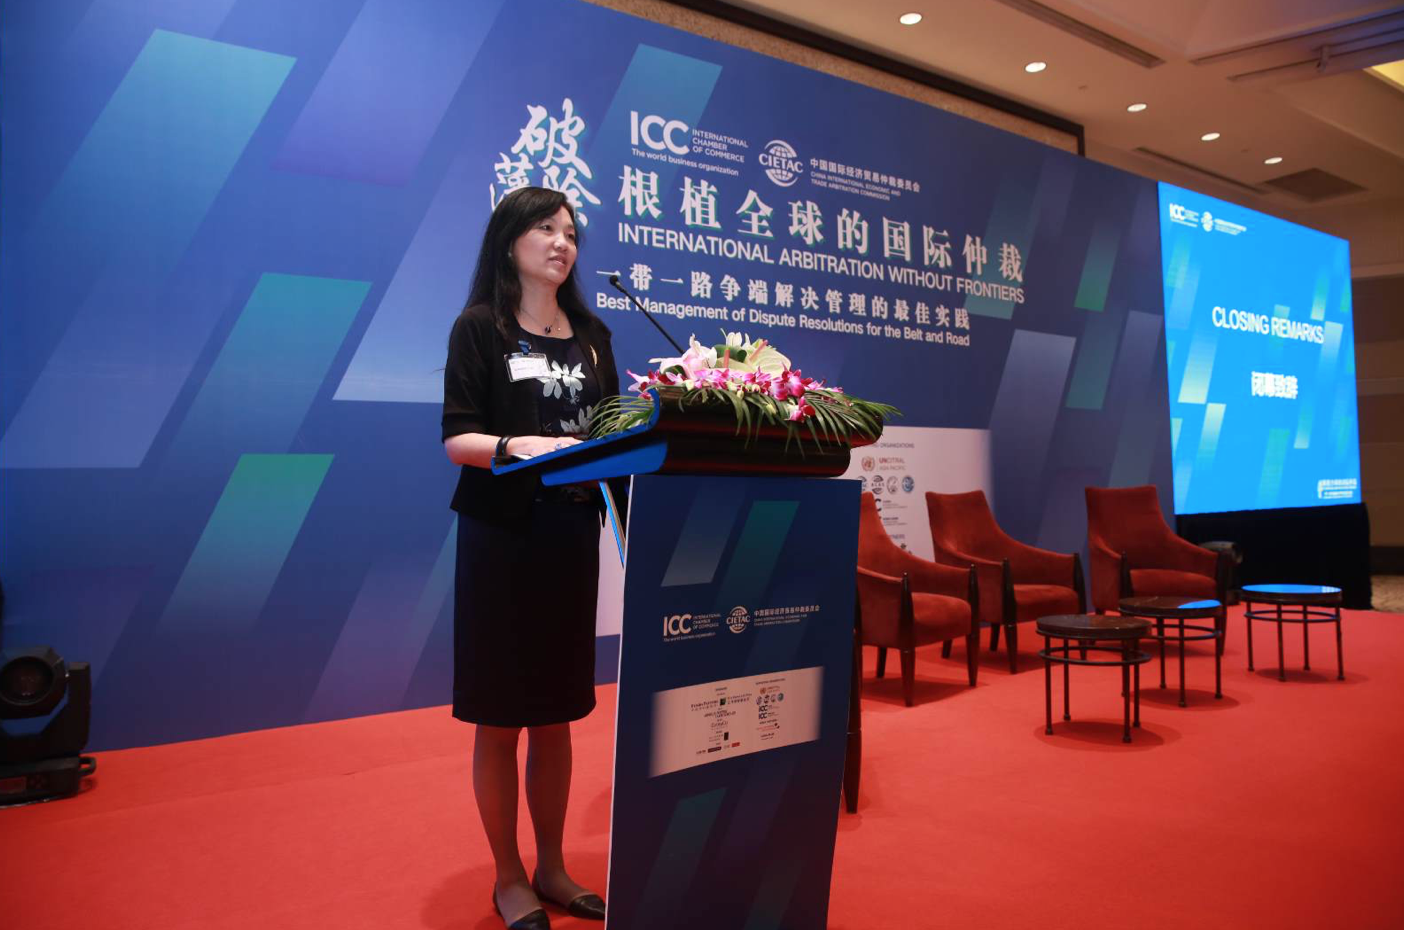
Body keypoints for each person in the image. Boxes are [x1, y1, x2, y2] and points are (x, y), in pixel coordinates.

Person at [442, 187, 618, 930]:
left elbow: (611, 437)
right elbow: (458, 438)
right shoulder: (479, 328)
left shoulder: (594, 335)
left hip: (570, 539)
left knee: (556, 714)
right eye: (545, 228)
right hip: (502, 539)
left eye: (570, 232)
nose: (561, 242)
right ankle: (509, 876)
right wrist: (519, 446)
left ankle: (552, 866)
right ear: (510, 239)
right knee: (500, 717)